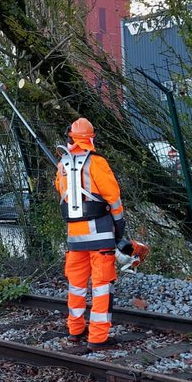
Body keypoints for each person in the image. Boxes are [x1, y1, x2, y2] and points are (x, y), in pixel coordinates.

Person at [55, 117, 133, 350]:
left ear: (71, 138)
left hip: (74, 237)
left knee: (76, 286)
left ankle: (75, 330)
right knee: (101, 286)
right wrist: (119, 226)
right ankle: (98, 338)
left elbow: (62, 194)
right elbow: (113, 198)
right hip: (100, 234)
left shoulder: (62, 165)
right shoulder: (97, 163)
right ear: (90, 138)